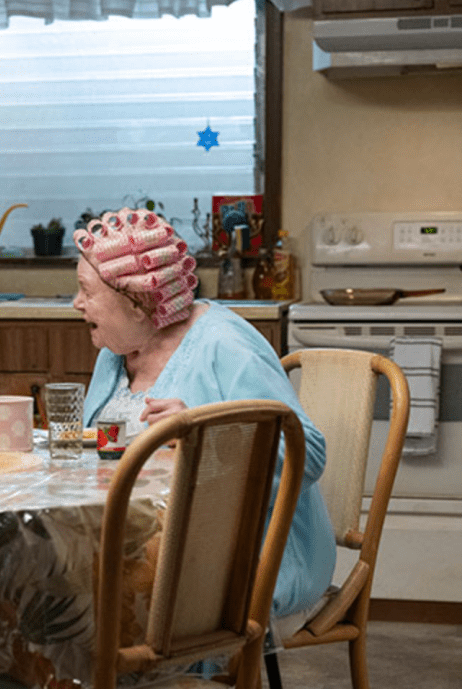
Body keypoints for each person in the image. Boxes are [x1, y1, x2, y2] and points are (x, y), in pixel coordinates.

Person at [72, 207, 335, 627]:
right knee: (40, 574)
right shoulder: (114, 351)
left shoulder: (224, 343)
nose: (76, 304)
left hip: (253, 553)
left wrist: (208, 431)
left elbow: (308, 450)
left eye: (86, 291)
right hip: (144, 539)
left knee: (84, 601)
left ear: (137, 302)